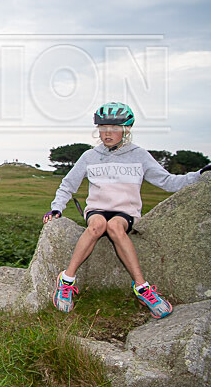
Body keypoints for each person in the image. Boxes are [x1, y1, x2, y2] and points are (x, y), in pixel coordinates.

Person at [43, 102, 210, 318]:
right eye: (103, 128)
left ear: (126, 129)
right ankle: (66, 280)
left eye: (114, 128)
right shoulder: (89, 156)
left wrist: (199, 175)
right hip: (97, 209)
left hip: (125, 212)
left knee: (115, 227)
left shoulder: (139, 155)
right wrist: (56, 208)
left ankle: (142, 287)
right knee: (97, 226)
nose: (107, 133)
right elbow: (67, 185)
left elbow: (168, 181)